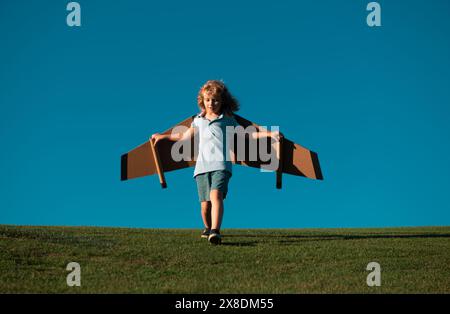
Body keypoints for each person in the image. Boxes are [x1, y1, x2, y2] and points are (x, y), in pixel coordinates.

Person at [151, 80, 282, 245]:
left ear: (222, 102)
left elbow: (248, 135)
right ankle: (207, 227)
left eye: (215, 100)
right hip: (201, 168)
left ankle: (215, 231)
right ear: (202, 101)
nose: (211, 103)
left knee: (216, 195)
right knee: (205, 205)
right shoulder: (198, 120)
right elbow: (183, 137)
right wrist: (163, 137)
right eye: (207, 100)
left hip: (221, 165)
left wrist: (270, 134)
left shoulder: (227, 120)